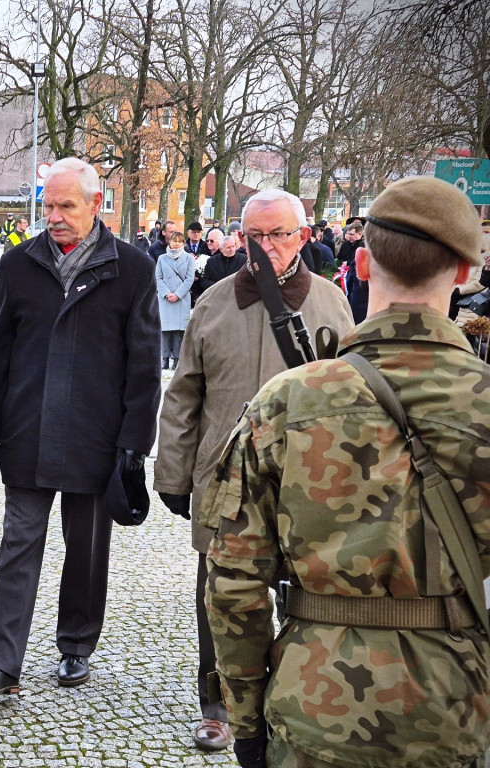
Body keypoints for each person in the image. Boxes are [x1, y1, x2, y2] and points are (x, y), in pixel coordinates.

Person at [205, 176, 490, 768]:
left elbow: (234, 582)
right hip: (457, 710)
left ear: (360, 262)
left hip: (314, 706)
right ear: (465, 272)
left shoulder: (287, 401)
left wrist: (247, 723)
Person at [153, 187, 354, 753]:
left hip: (308, 482)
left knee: (309, 593)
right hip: (224, 483)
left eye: (278, 234)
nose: (265, 247)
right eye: (254, 236)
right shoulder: (212, 304)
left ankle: (300, 695)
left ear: (304, 237)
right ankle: (217, 706)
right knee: (219, 597)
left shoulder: (332, 305)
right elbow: (183, 396)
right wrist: (171, 475)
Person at [0, 157, 161, 696]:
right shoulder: (20, 262)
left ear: (96, 206)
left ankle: (76, 645)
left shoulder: (133, 269)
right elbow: (0, 346)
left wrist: (133, 445)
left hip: (96, 436)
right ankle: (1, 661)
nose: (52, 215)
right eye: (47, 205)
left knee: (87, 549)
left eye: (65, 206)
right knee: (18, 544)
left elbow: (143, 367)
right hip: (28, 428)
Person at [156, 231, 195, 370]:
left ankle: (177, 360)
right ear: (169, 242)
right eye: (174, 240)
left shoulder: (189, 258)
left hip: (181, 298)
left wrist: (177, 294)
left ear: (183, 243)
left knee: (179, 330)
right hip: (165, 299)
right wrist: (166, 293)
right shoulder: (162, 258)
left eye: (179, 241)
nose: (176, 243)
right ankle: (165, 359)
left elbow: (189, 279)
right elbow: (158, 278)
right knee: (165, 330)